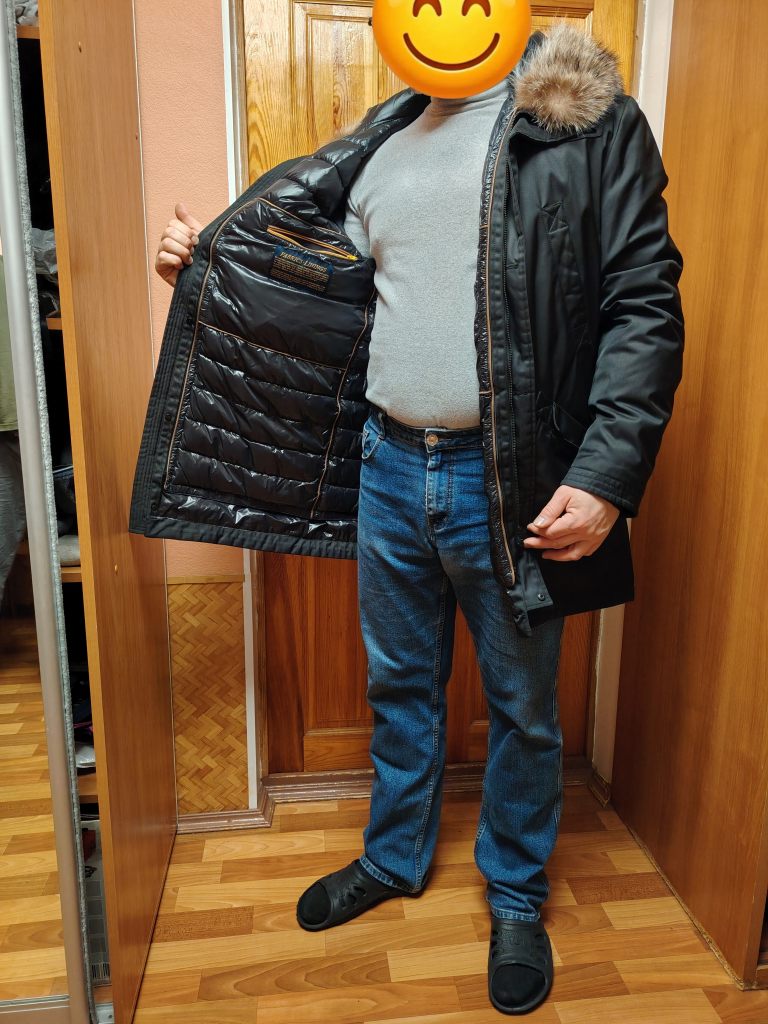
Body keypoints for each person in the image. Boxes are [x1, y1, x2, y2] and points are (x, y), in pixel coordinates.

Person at [153, 24, 683, 1016]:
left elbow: (642, 304)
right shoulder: (379, 142)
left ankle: (516, 895)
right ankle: (394, 857)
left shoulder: (582, 127)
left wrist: (606, 477)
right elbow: (317, 299)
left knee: (523, 707)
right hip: (389, 467)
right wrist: (205, 266)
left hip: (512, 482)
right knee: (400, 686)